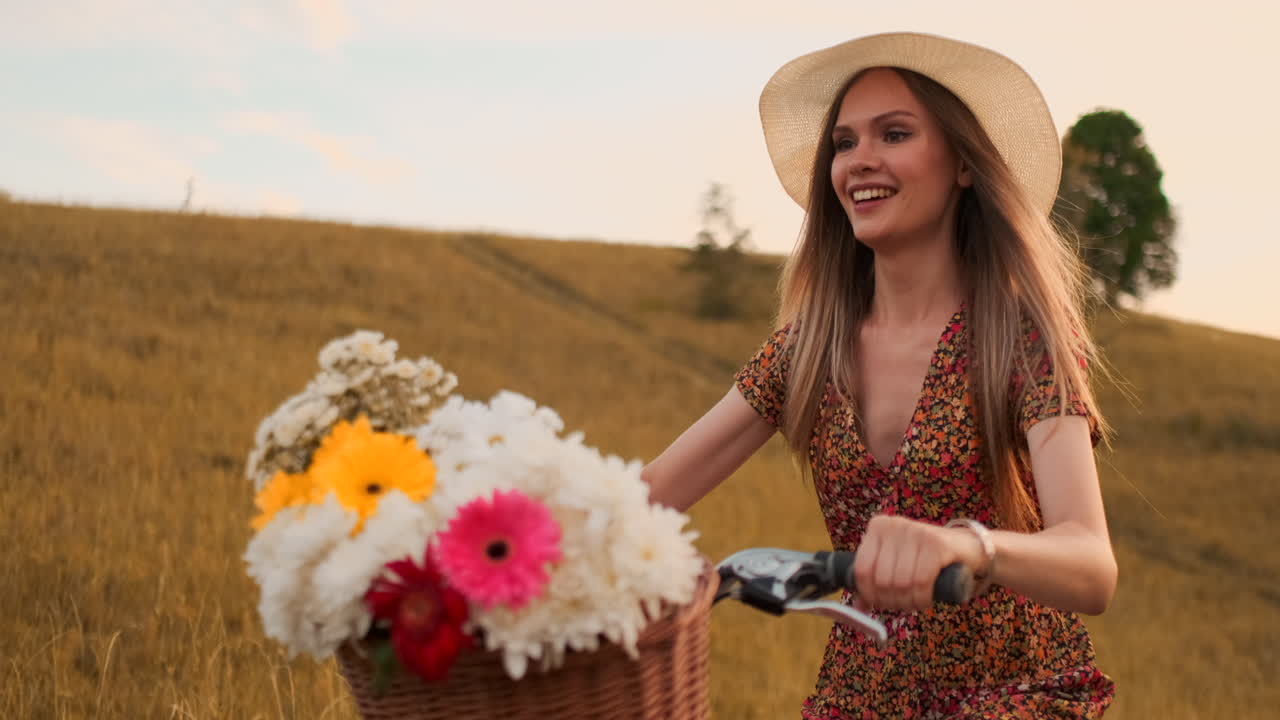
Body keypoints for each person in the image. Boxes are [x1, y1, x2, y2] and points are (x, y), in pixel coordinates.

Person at [641, 32, 1118, 719]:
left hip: (1012, 700)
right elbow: (647, 497)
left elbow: (1092, 564)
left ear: (962, 163)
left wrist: (966, 546)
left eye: (894, 134)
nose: (859, 159)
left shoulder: (1019, 338)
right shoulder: (808, 348)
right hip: (856, 701)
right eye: (844, 143)